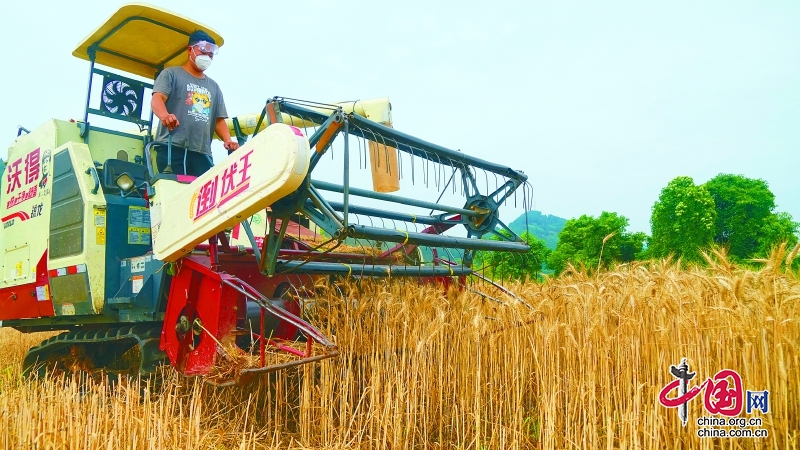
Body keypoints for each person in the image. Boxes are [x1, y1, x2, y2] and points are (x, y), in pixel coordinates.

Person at [150, 30, 239, 176]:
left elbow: (218, 119)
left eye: (211, 54)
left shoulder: (214, 87)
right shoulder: (171, 74)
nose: (207, 56)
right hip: (172, 148)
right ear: (190, 50)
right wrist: (165, 115)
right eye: (203, 51)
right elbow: (157, 99)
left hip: (201, 153)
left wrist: (228, 139)